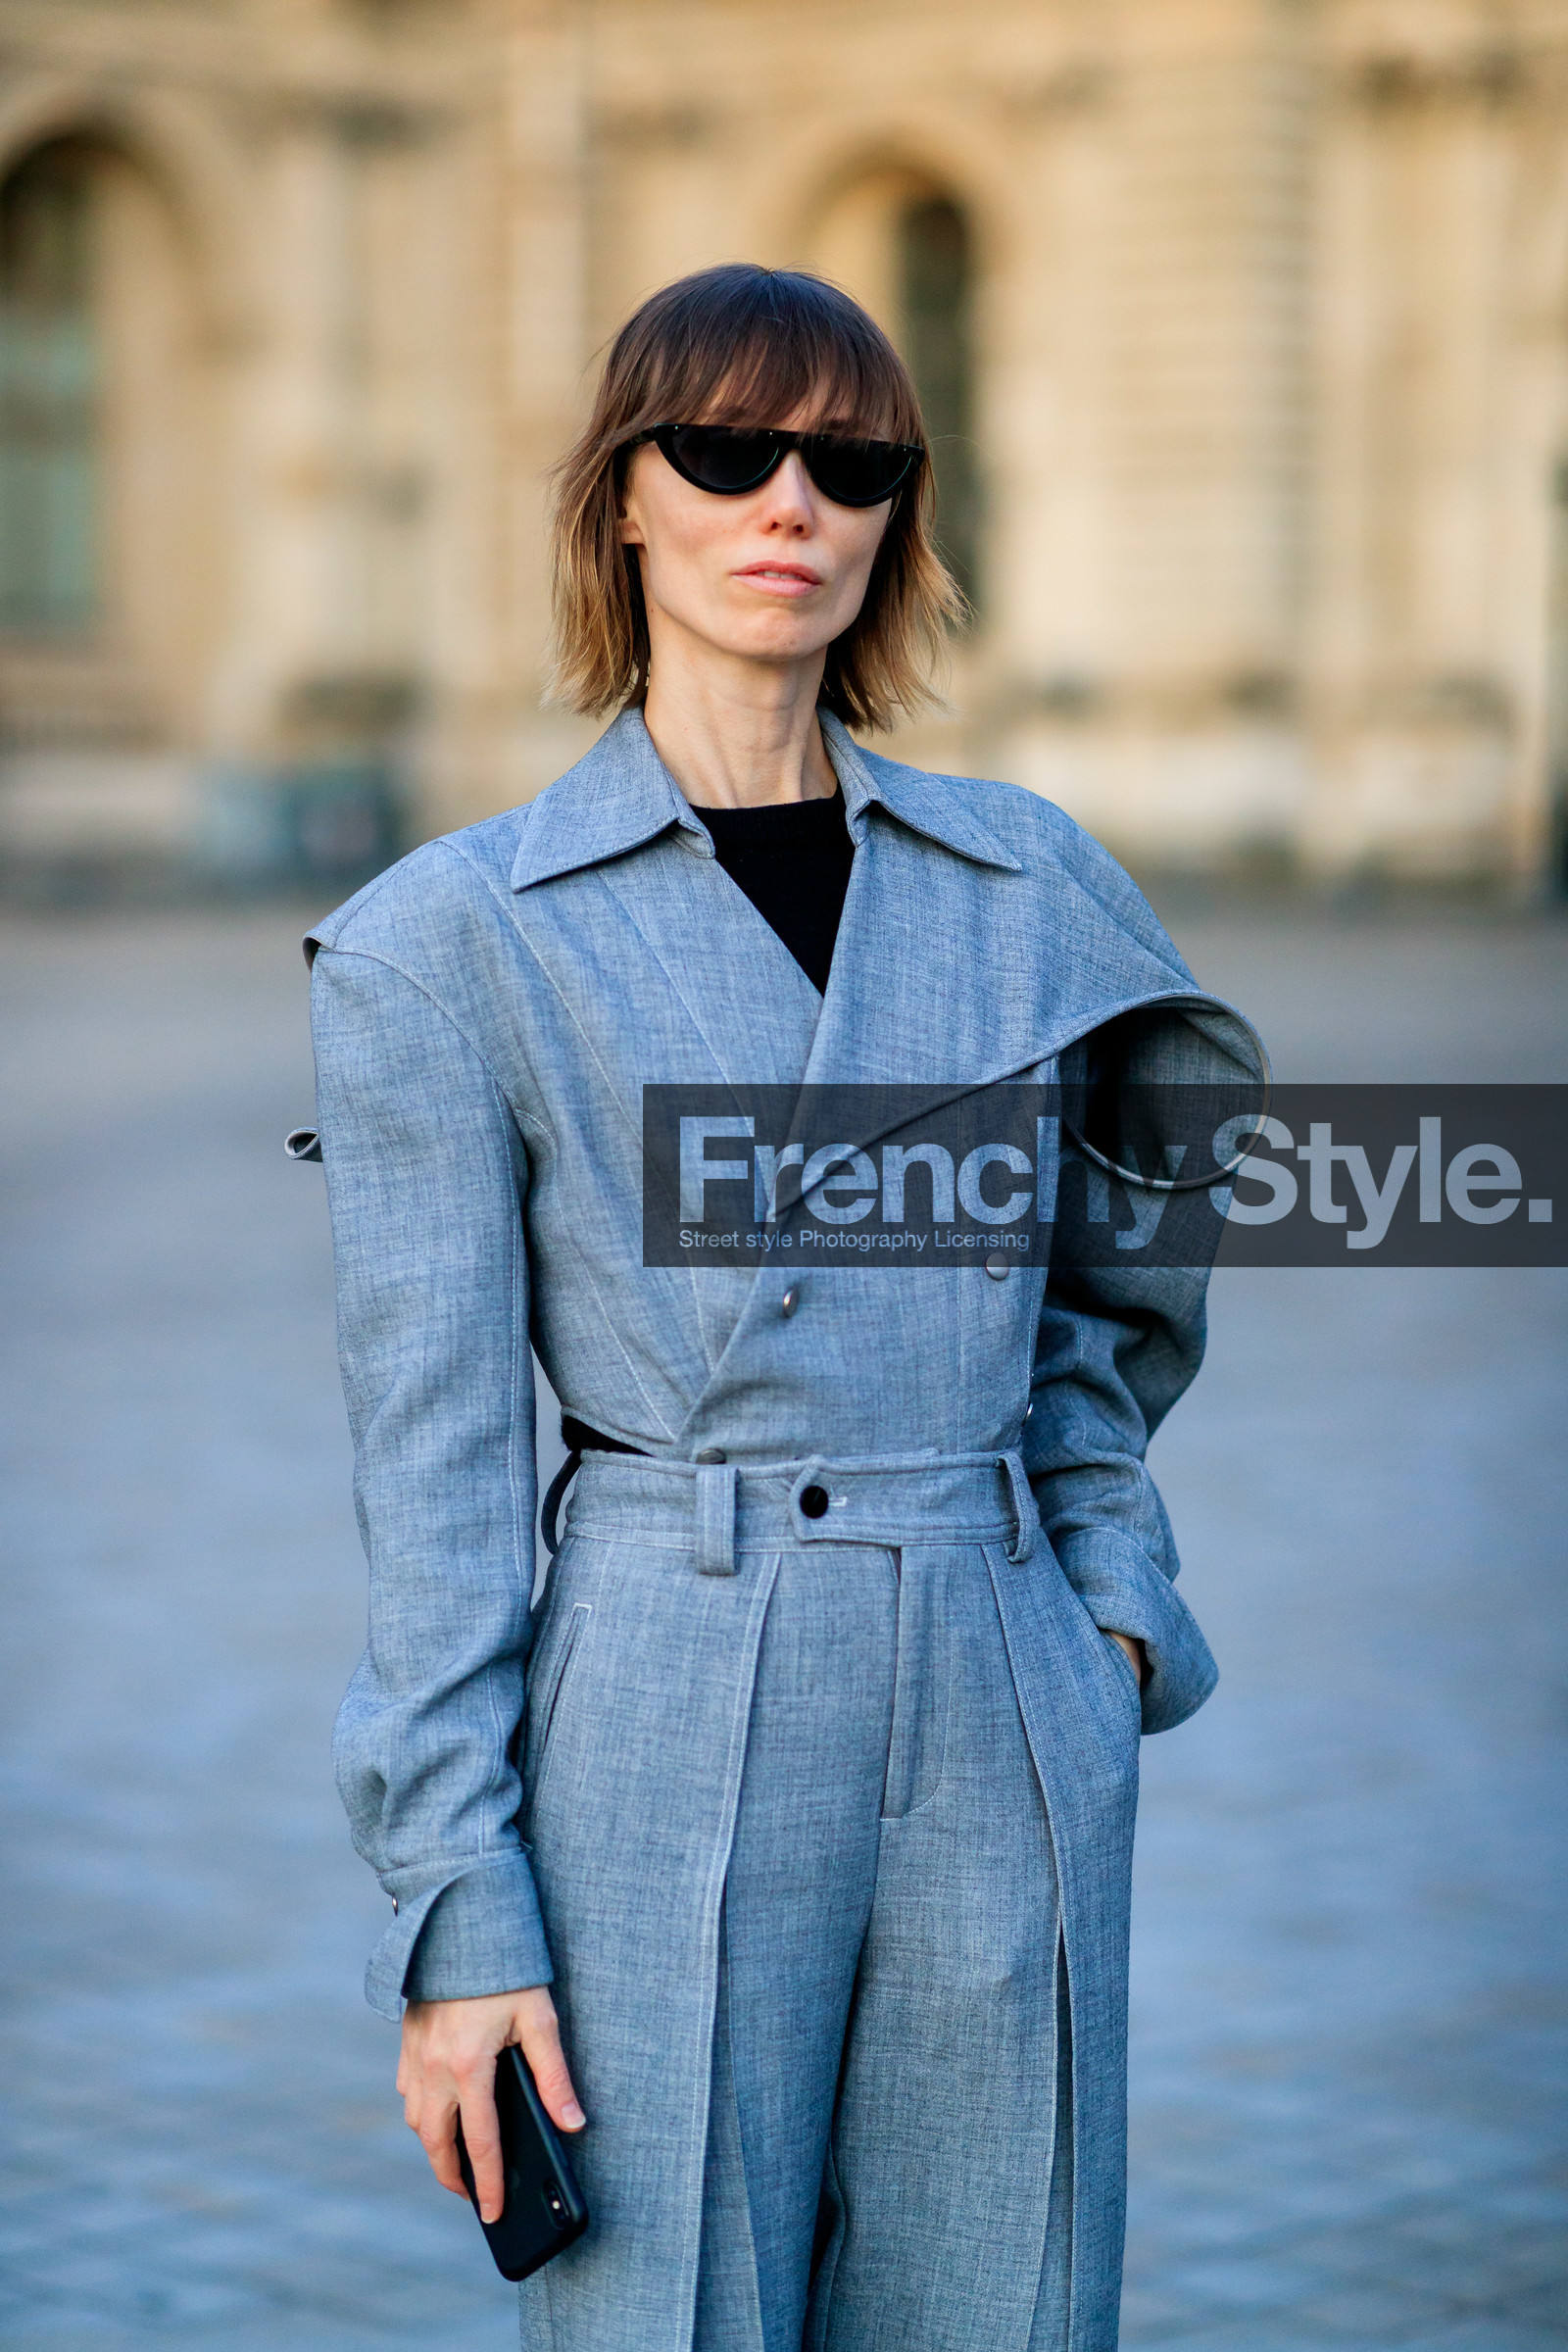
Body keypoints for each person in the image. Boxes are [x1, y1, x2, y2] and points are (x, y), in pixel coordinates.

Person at [305, 263, 1260, 2352]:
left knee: (1000, 2304)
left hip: (998, 1665)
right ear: (621, 501)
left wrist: (1096, 1599)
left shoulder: (1028, 885)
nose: (786, 503)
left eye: (850, 461)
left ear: (896, 516)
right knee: (672, 2311)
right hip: (663, 1664)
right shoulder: (442, 945)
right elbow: (438, 1469)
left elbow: (1108, 1288)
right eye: (723, 451)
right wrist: (463, 1916)